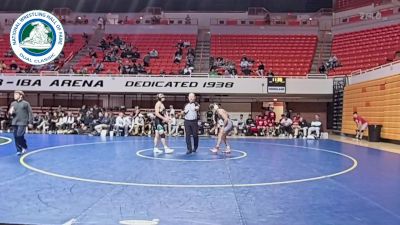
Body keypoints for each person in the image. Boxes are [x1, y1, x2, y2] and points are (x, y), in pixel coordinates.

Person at [8, 91, 33, 156]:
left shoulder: (26, 103)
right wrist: (10, 112)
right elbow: (10, 113)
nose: (14, 96)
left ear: (21, 95)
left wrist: (30, 122)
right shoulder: (13, 103)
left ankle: (24, 146)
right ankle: (18, 150)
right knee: (16, 137)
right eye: (14, 94)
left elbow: (30, 113)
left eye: (16, 94)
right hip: (14, 122)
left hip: (22, 122)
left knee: (19, 135)